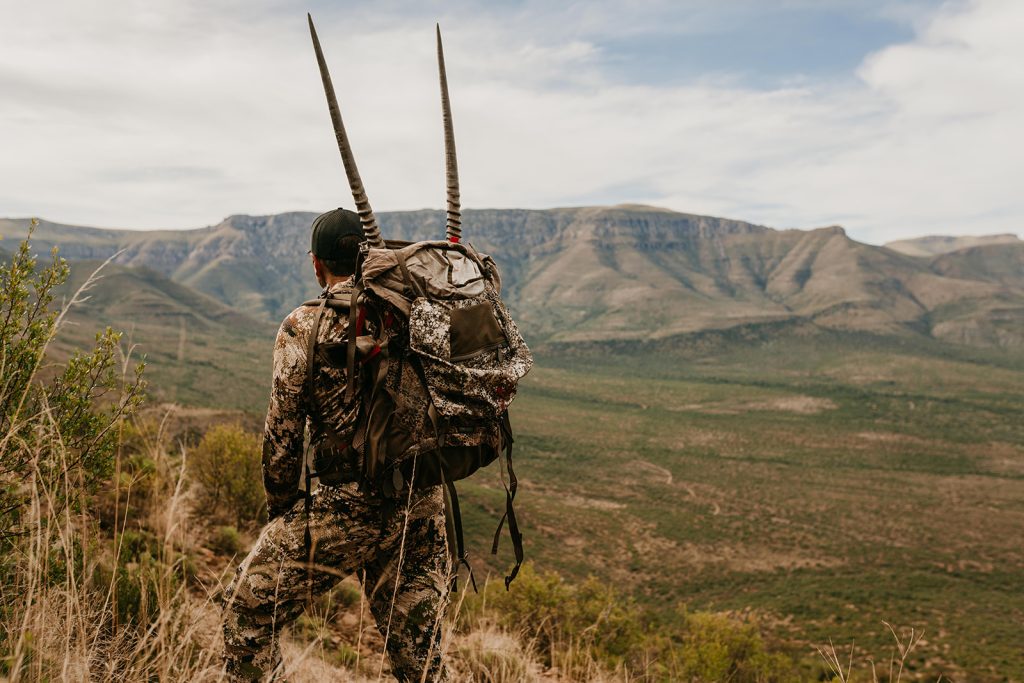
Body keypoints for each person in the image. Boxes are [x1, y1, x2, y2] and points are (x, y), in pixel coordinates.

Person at [222, 208, 452, 682]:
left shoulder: (303, 328)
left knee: (246, 613)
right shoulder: (414, 313)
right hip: (421, 505)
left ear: (316, 264)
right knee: (420, 660)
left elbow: (282, 440)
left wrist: (284, 511)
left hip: (345, 508)